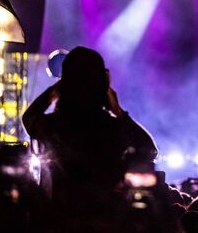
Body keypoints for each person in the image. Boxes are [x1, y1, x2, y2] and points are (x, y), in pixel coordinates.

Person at [21, 46, 157, 220]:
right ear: (103, 82)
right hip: (104, 222)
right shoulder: (113, 128)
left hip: (61, 222)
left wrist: (60, 87)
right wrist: (119, 111)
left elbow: (29, 117)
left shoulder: (53, 126)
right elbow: (149, 149)